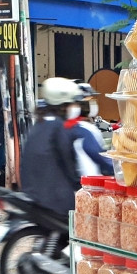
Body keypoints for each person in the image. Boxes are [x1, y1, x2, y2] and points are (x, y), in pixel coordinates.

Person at [20, 77, 111, 220]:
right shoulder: (69, 128)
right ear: (63, 105)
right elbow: (71, 159)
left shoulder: (41, 123)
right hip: (55, 197)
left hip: (32, 192)